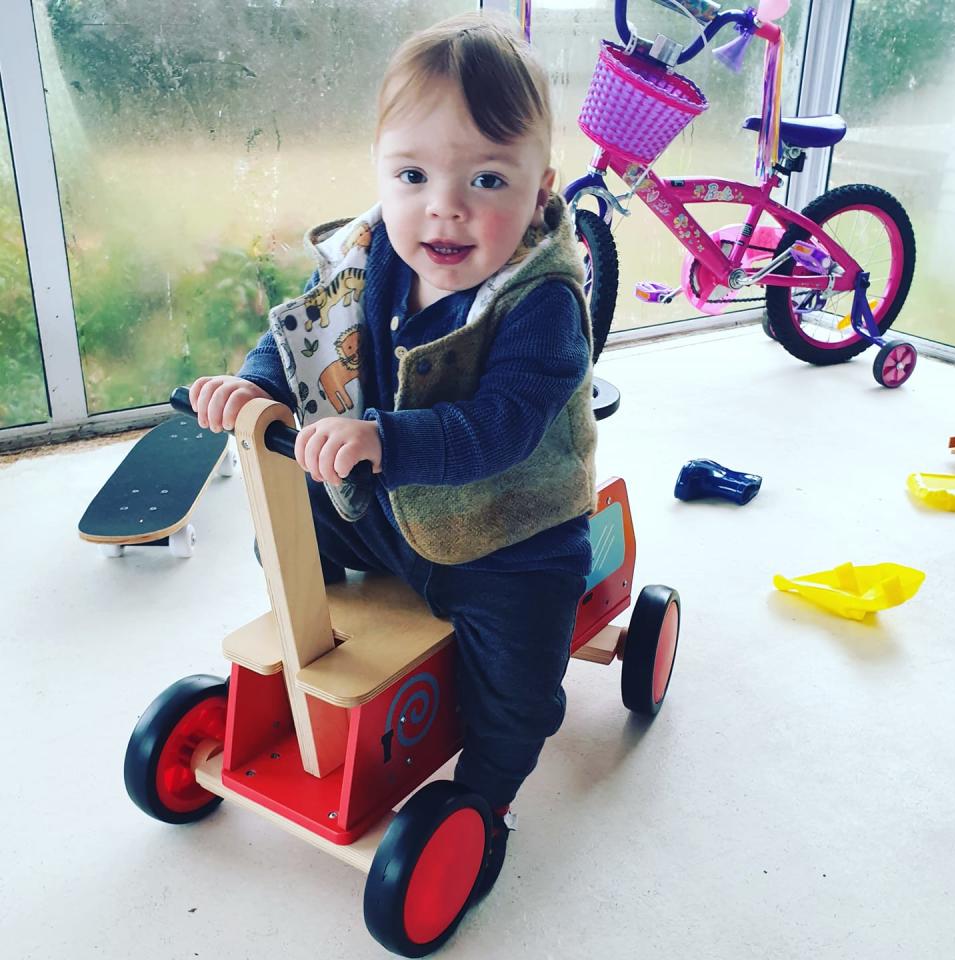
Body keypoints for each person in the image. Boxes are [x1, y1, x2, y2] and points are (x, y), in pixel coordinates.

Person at [189, 11, 597, 898]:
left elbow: (503, 426)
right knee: (293, 518)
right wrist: (256, 385)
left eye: (488, 177)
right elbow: (307, 337)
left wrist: (383, 437)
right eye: (413, 174)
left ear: (540, 190)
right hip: (389, 518)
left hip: (507, 532)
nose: (444, 206)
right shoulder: (369, 251)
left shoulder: (542, 300)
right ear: (381, 173)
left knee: (522, 677)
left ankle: (486, 802)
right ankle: (325, 664)